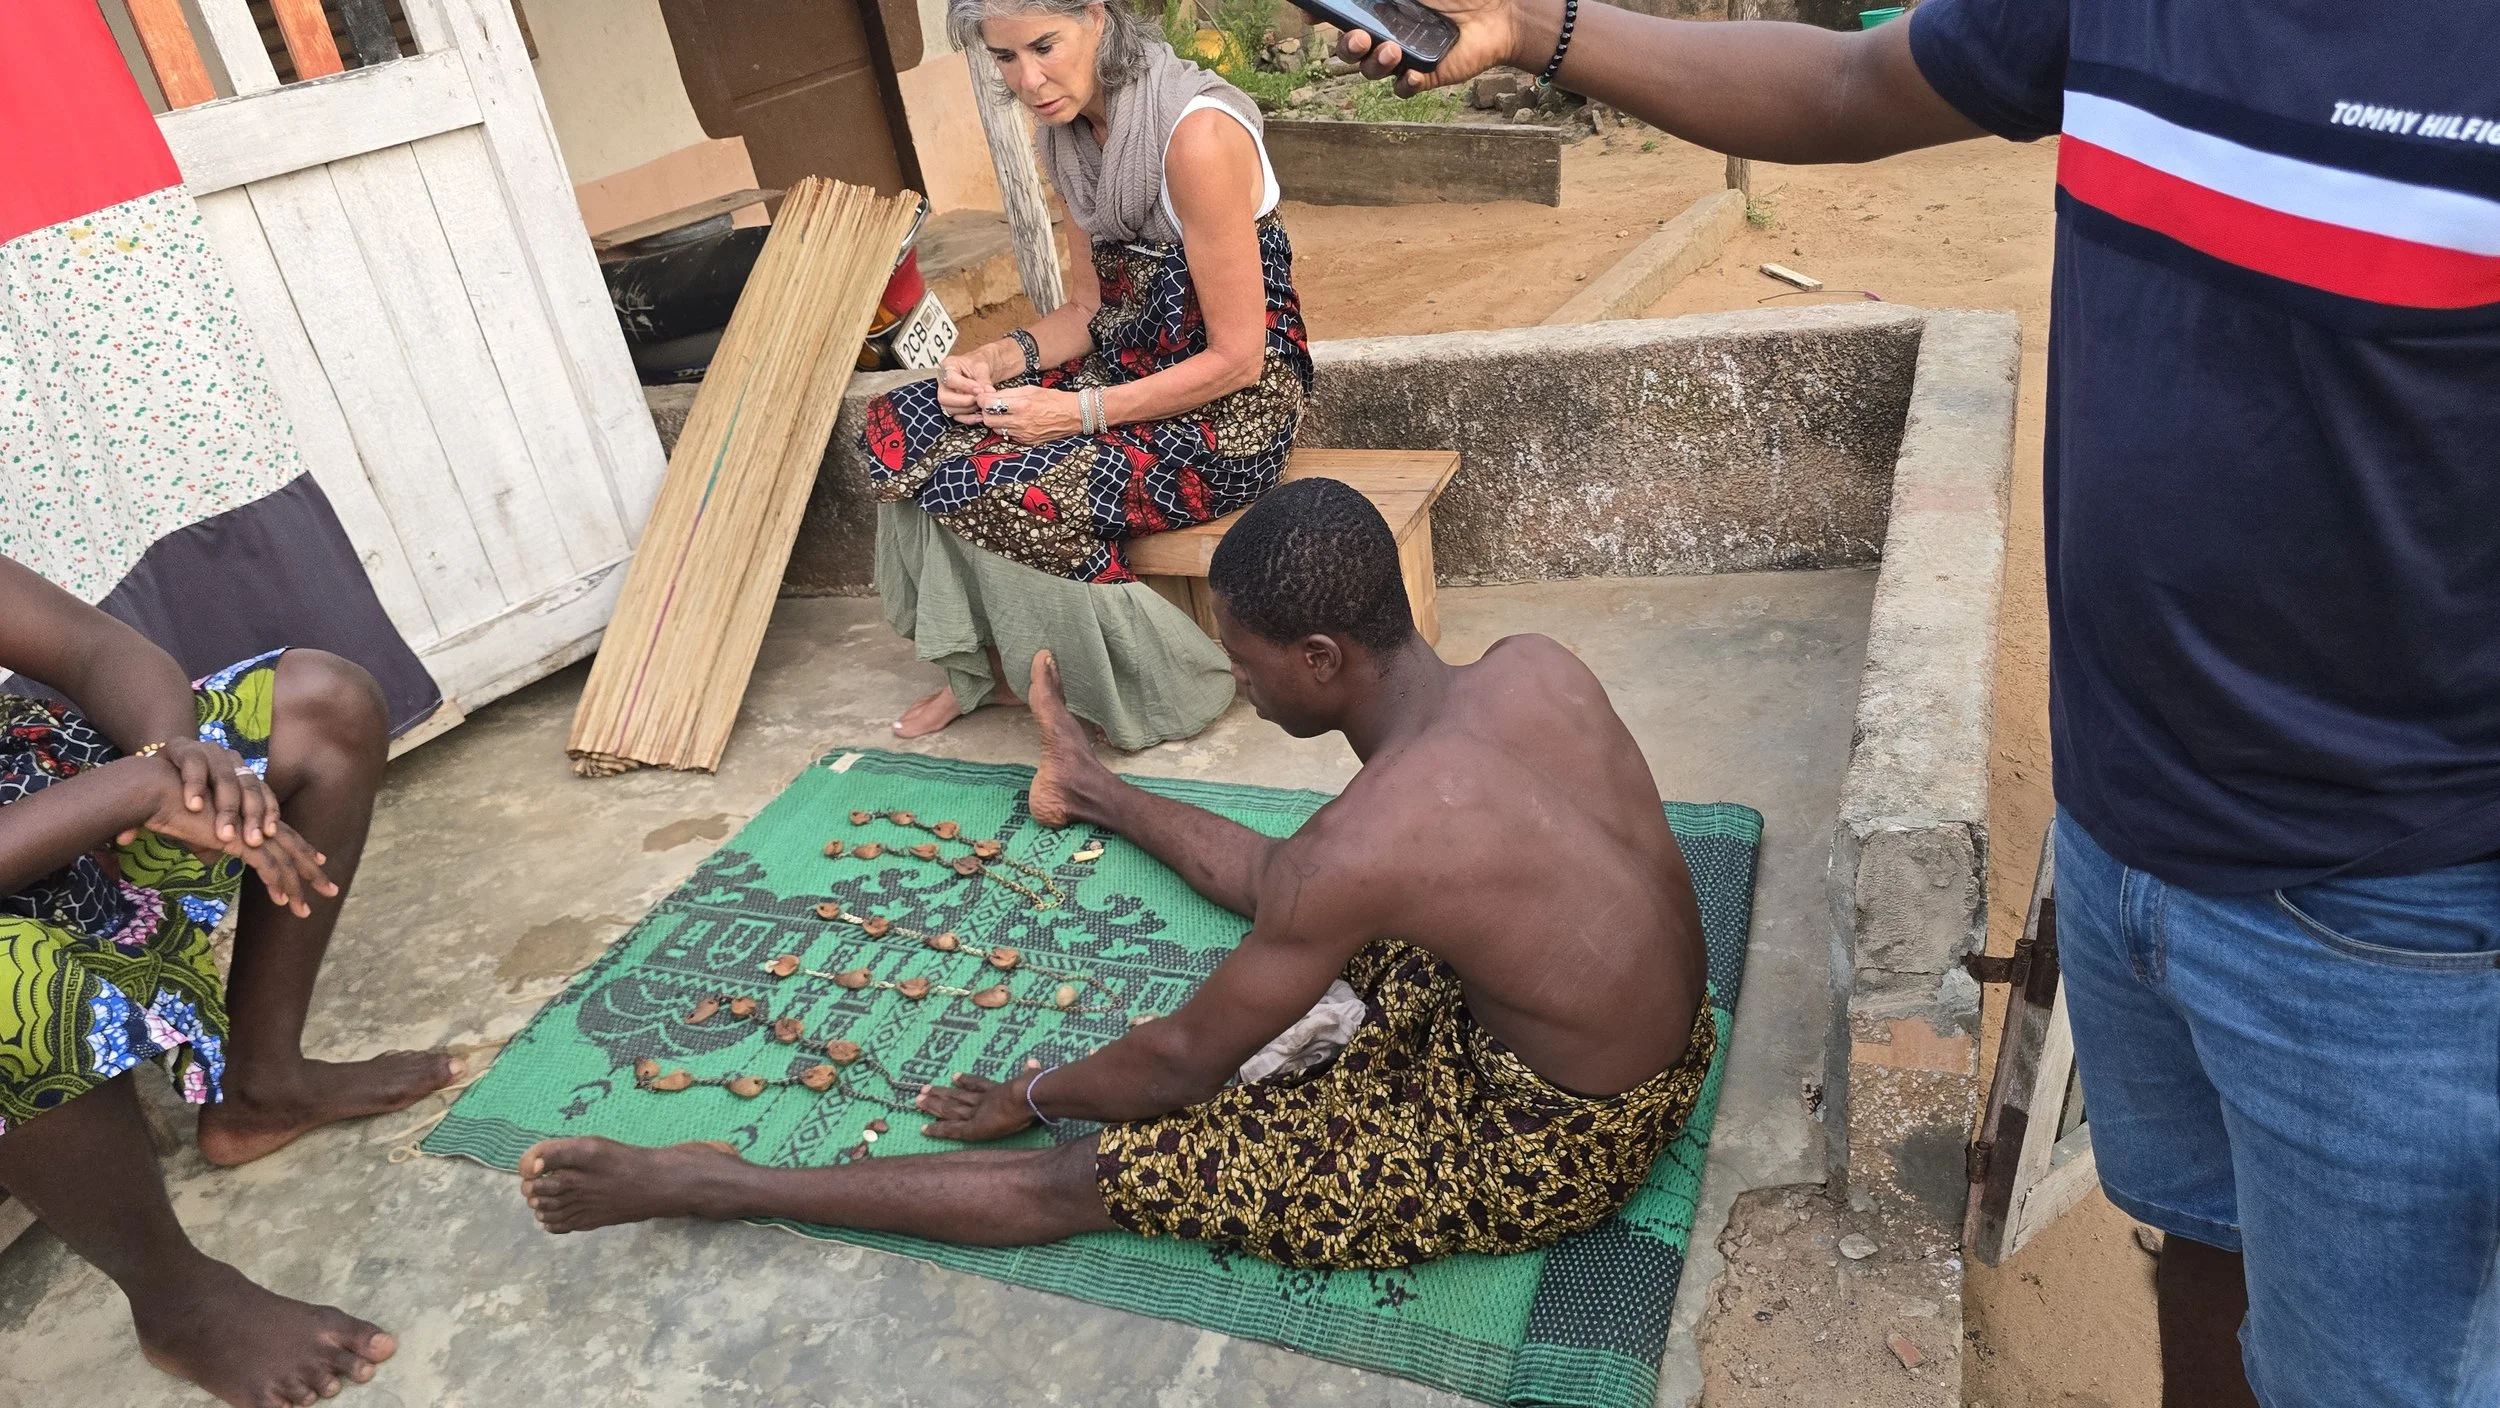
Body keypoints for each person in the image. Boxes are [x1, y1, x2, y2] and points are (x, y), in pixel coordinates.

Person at [1319, 0, 2500, 1402]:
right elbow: (1845, 81)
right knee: (2199, 1238)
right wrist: (1530, 26)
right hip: (2122, 828)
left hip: (2395, 925)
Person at [517, 478, 1716, 1269]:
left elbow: (1180, 1062)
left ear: (1319, 655)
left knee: (1094, 1175)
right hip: (1665, 1034)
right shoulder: (1536, 666)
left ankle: (728, 1184)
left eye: (1247, 662)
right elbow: (1321, 878)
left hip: (1563, 1134)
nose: (1238, 682)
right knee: (1320, 893)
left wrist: (1036, 1093)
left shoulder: (1372, 843)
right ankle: (1088, 788)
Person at [0, 555, 459, 1407]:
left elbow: (94, 645)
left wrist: (174, 760)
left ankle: (260, 1083)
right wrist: (130, 791)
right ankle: (178, 1305)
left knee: (321, 704)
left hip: (39, 794)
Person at [858, 0, 1314, 751]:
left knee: (1004, 484)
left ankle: (1155, 681)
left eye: (1044, 46)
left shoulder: (1196, 136)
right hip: (1128, 369)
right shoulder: (1068, 138)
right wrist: (994, 360)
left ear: (1098, 18)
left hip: (1232, 414)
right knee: (901, 425)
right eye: (1005, 57)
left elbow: (1240, 359)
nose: (1028, 80)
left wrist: (1076, 414)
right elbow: (1087, 309)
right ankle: (988, 666)